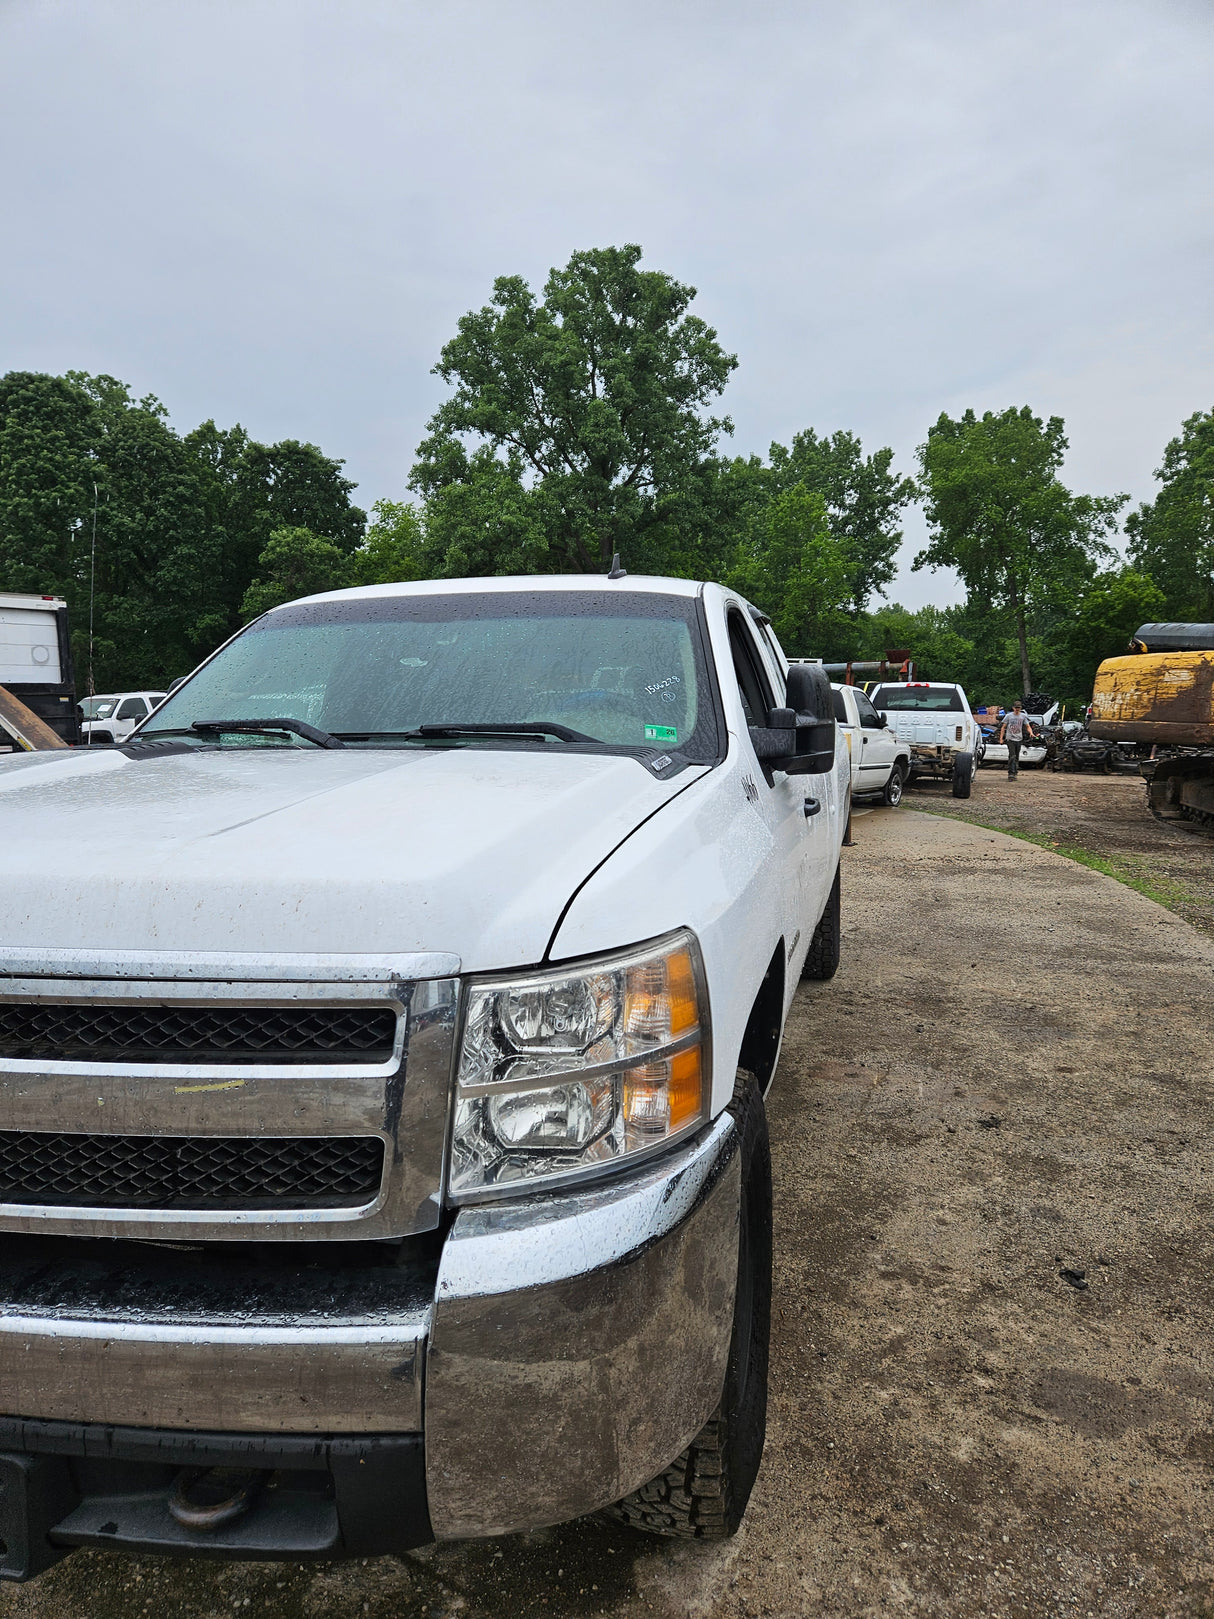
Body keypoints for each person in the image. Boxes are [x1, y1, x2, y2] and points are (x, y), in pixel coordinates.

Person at [999, 700, 1037, 780]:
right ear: (1013, 708)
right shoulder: (1009, 716)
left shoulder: (1023, 716)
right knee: (1012, 756)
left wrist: (1031, 733)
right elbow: (1003, 727)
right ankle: (1011, 773)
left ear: (1020, 708)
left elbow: (1027, 726)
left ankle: (1015, 772)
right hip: (1010, 738)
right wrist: (1001, 739)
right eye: (1016, 708)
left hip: (1019, 738)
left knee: (1016, 757)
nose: (1017, 709)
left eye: (1018, 708)